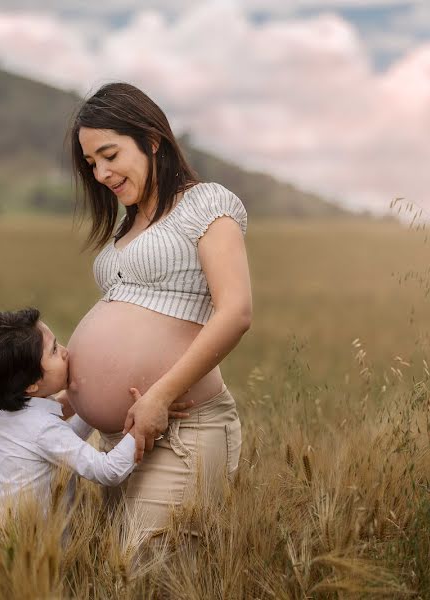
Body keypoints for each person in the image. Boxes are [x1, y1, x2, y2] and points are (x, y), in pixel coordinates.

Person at [66, 82, 252, 546]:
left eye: (110, 155)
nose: (102, 174)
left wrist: (159, 398)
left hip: (179, 428)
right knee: (118, 577)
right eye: (92, 164)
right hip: (118, 440)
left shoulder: (205, 204)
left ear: (151, 140)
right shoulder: (126, 227)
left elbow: (236, 312)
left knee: (145, 575)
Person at [0, 307, 193, 573]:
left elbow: (62, 445)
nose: (66, 351)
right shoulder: (42, 429)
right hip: (14, 560)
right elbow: (108, 470)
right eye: (54, 350)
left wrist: (95, 401)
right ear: (31, 385)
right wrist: (143, 427)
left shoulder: (10, 415)